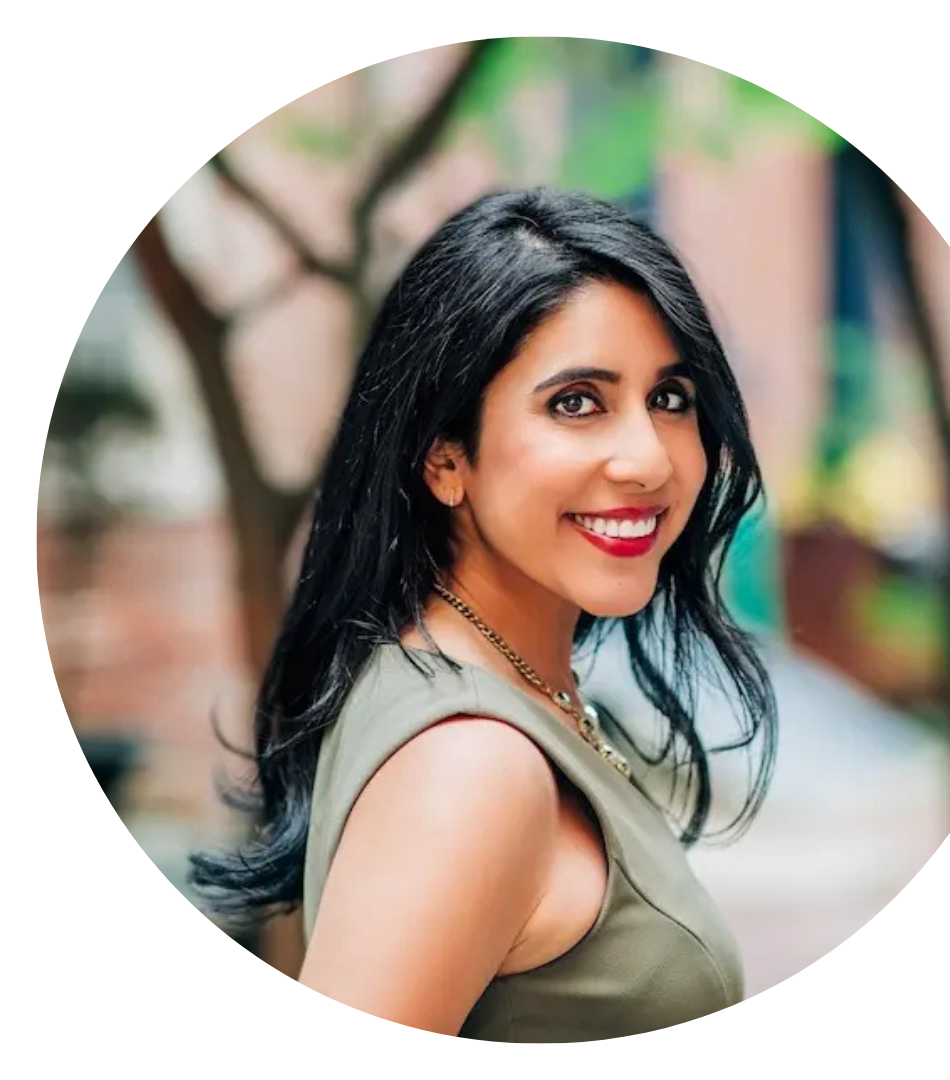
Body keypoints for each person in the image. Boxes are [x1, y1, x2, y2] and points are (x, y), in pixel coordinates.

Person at [191, 187, 776, 1041]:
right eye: (577, 402)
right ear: (444, 457)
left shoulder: (501, 686)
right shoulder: (468, 766)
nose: (648, 459)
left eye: (671, 398)